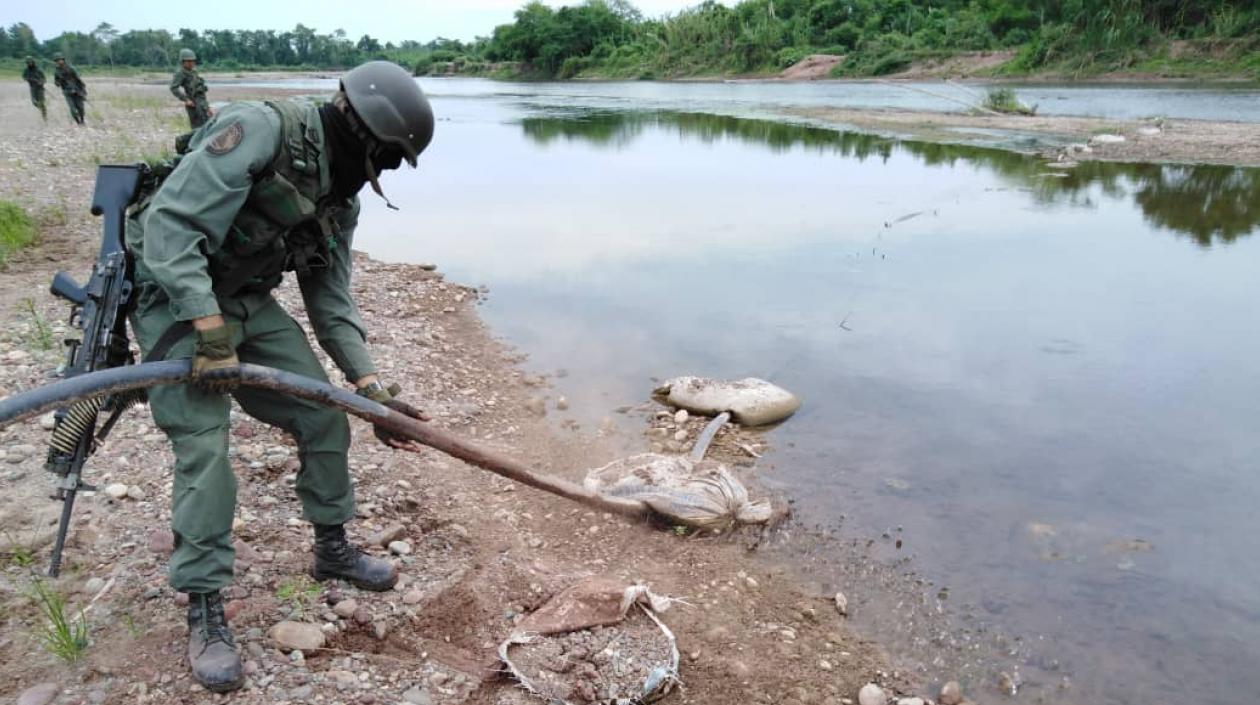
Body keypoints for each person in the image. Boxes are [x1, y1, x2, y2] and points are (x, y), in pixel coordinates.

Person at [124, 61, 434, 693]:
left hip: (243, 299)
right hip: (173, 295)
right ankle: (206, 605)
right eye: (389, 159)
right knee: (205, 445)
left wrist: (369, 386)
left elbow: (331, 301)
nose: (385, 175)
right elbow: (170, 228)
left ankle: (332, 548)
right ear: (363, 133)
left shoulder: (337, 202)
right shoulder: (259, 130)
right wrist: (208, 330)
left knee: (322, 412)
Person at [170, 48, 212, 129]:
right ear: (183, 62)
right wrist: (186, 100)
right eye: (188, 61)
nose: (191, 63)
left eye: (192, 61)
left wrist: (207, 107)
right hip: (193, 104)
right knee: (197, 129)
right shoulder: (180, 73)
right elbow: (173, 88)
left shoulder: (194, 72)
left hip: (202, 103)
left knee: (208, 125)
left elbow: (201, 91)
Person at [52, 52, 86, 125]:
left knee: (80, 107)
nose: (58, 61)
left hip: (77, 90)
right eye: (57, 60)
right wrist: (59, 82)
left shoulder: (71, 68)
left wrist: (83, 91)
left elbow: (78, 79)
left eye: (59, 60)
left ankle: (82, 120)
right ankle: (78, 123)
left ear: (63, 60)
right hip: (67, 92)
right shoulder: (57, 71)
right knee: (72, 109)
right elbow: (56, 82)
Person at [22, 56, 47, 121]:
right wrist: (29, 79)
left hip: (40, 88)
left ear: (33, 62)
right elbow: (24, 77)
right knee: (34, 102)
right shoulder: (26, 70)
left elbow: (44, 79)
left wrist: (41, 82)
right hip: (32, 87)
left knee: (41, 102)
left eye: (30, 62)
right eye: (28, 62)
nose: (29, 64)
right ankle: (42, 109)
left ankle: (44, 116)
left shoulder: (39, 69)